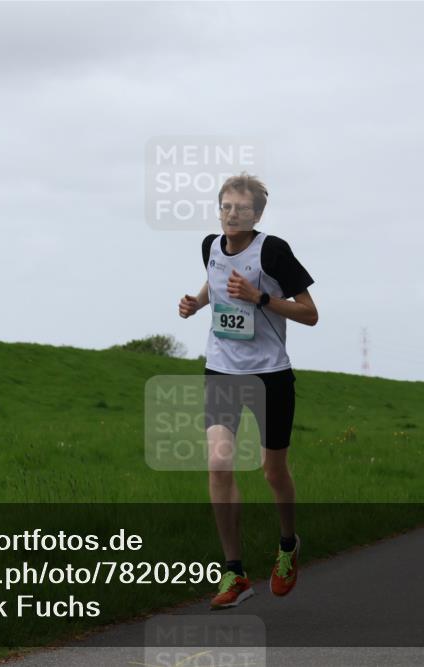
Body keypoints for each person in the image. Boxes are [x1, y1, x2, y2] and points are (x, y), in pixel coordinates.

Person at [178, 173, 318, 610]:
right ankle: (235, 572)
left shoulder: (273, 251)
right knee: (218, 463)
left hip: (270, 375)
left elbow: (310, 314)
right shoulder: (210, 246)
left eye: (240, 208)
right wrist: (197, 302)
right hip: (221, 370)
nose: (231, 214)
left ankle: (288, 544)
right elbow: (214, 279)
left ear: (256, 214)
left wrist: (260, 298)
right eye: (225, 206)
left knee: (272, 472)